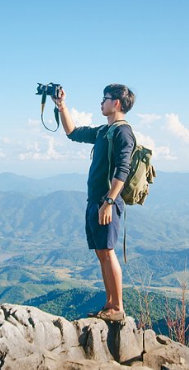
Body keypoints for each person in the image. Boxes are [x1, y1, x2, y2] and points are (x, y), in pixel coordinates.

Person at [53, 83, 136, 322]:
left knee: (108, 253)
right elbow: (73, 133)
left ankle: (117, 307)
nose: (101, 102)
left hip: (106, 202)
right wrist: (62, 106)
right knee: (102, 253)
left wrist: (109, 201)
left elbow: (123, 169)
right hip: (96, 202)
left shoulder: (123, 132)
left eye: (105, 98)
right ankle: (110, 304)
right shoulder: (103, 131)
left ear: (117, 103)